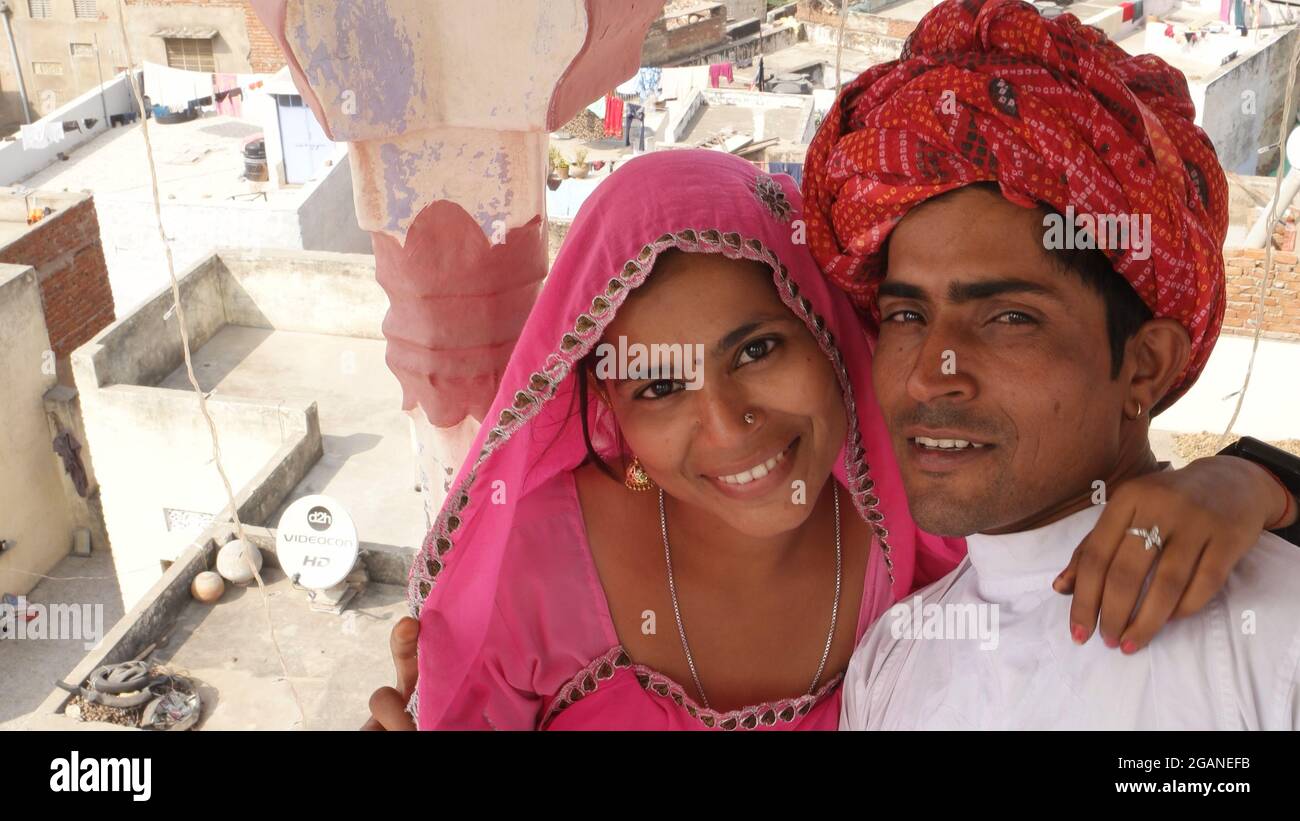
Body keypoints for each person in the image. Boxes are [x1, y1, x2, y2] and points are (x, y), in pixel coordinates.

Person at [364, 149, 1293, 730]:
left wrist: (1259, 481)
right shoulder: (908, 657)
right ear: (607, 411)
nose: (728, 426)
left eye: (758, 348)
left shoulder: (921, 543)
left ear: (827, 334)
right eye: (659, 385)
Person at [788, 0, 1300, 729]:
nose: (932, 373)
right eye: (907, 314)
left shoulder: (1274, 645)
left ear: (1146, 366)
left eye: (1008, 319)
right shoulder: (891, 662)